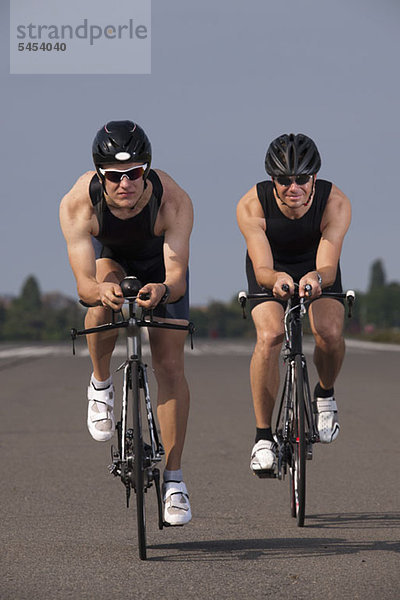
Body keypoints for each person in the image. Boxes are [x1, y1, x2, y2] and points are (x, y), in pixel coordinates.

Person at [60, 120, 193, 524]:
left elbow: (177, 277)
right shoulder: (78, 202)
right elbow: (84, 284)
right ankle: (101, 386)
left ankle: (174, 481)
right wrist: (102, 291)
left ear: (147, 170)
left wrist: (163, 292)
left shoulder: (173, 200)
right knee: (102, 303)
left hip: (160, 267)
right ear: (100, 175)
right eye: (115, 176)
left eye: (134, 173)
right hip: (110, 259)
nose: (125, 183)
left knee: (169, 366)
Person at [236, 133, 351, 476]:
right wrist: (277, 281)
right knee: (271, 336)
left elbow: (328, 266)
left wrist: (315, 278)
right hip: (271, 267)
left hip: (317, 267)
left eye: (302, 178)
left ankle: (325, 394)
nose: (293, 187)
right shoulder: (251, 205)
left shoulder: (336, 202)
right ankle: (262, 438)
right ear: (272, 180)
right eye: (284, 180)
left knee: (329, 332)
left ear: (314, 177)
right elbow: (261, 268)